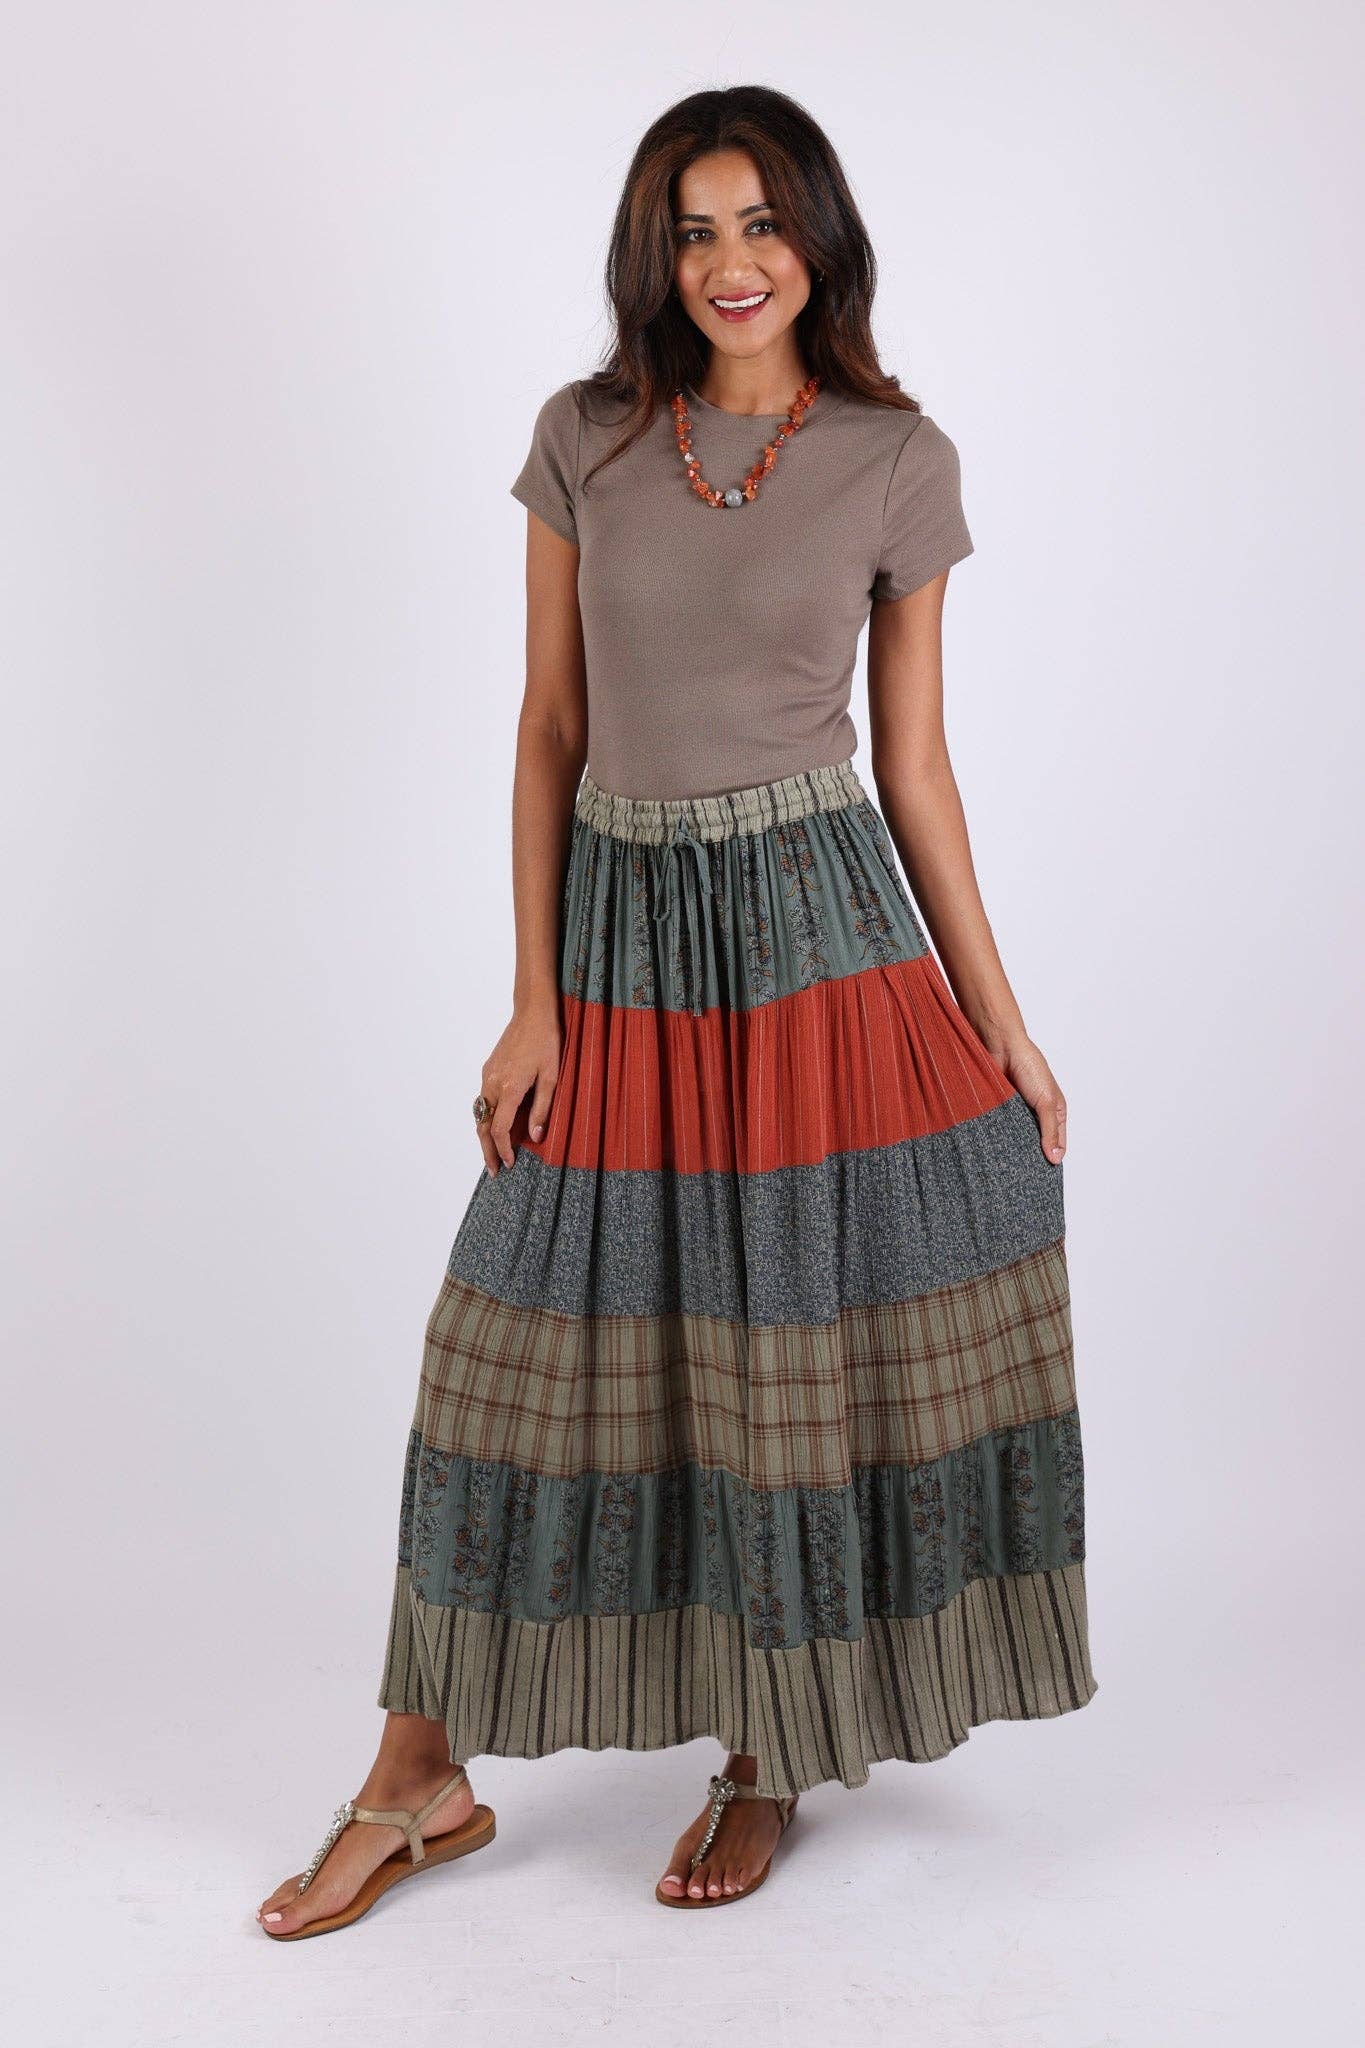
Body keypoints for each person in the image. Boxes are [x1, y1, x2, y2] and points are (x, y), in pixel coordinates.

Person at [256, 81, 1096, 1940]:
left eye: (761, 223)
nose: (731, 262)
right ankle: (417, 1778)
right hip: (625, 949)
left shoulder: (895, 458)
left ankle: (768, 1752)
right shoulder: (587, 438)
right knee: (500, 1347)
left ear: (818, 241)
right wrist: (530, 1002)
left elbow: (915, 769)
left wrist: (1005, 1024)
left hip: (815, 945)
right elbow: (552, 726)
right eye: (696, 230)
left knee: (781, 1354)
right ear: (656, 255)